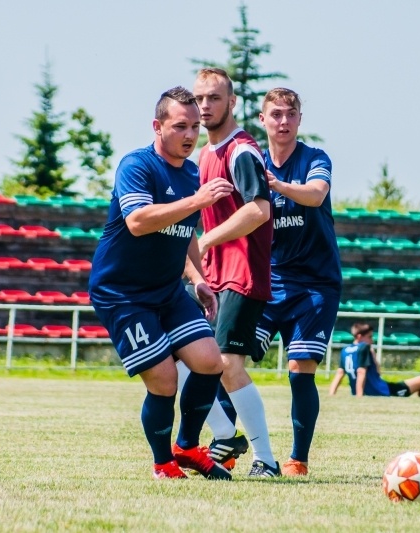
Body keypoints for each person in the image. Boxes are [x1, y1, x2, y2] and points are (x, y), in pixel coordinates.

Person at [88, 87, 234, 480]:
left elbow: (184, 231)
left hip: (168, 290)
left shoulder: (191, 173)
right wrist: (197, 202)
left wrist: (198, 278)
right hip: (123, 294)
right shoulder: (136, 165)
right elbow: (138, 222)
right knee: (165, 379)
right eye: (180, 126)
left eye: (196, 127)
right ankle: (162, 463)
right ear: (158, 126)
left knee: (209, 362)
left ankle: (186, 447)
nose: (190, 135)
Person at [189, 67, 280, 478]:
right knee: (190, 357)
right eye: (199, 99)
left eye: (213, 98)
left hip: (241, 273)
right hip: (214, 275)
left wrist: (207, 241)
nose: (205, 105)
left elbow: (259, 209)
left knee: (227, 363)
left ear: (232, 102)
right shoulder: (204, 153)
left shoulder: (240, 150)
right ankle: (226, 435)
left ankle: (267, 460)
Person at [250, 88, 342, 476]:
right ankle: (228, 442)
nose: (283, 121)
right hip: (268, 282)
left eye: (290, 114)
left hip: (315, 285)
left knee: (300, 367)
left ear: (300, 119)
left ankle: (297, 460)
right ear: (263, 119)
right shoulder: (250, 161)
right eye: (276, 115)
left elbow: (317, 195)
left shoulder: (315, 159)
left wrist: (278, 186)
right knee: (225, 358)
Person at [329, 323, 420, 398]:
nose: (372, 341)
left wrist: (331, 394)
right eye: (370, 337)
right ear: (359, 336)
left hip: (371, 390)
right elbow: (363, 372)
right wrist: (359, 395)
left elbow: (339, 373)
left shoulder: (345, 350)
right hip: (382, 390)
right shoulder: (364, 347)